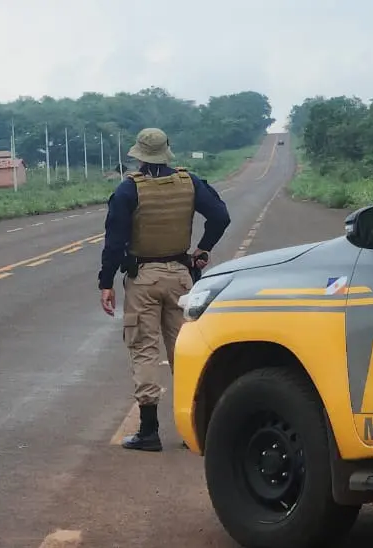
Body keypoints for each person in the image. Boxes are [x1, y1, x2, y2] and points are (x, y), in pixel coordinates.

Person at [98, 127, 230, 452]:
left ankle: (148, 430)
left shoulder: (129, 190)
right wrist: (203, 248)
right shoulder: (189, 182)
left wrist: (106, 282)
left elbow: (114, 242)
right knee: (183, 351)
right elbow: (220, 217)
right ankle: (194, 428)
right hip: (181, 276)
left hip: (143, 277)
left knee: (144, 349)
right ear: (167, 151)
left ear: (139, 154)